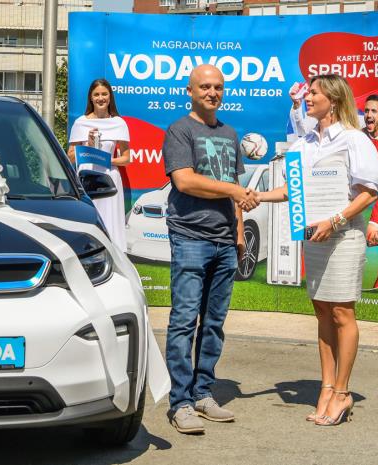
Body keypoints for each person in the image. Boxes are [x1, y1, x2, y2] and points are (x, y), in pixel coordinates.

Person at [258, 74, 378, 426]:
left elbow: (369, 191)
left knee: (342, 312)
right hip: (314, 238)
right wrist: (255, 196)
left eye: (314, 93)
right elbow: (291, 190)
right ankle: (326, 387)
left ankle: (342, 392)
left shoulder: (354, 139)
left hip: (343, 237)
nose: (307, 97)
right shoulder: (304, 143)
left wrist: (335, 220)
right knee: (322, 311)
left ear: (334, 99)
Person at [163, 64, 258, 435]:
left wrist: (239, 231)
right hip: (190, 237)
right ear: (190, 91)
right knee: (184, 321)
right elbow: (184, 182)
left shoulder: (230, 134)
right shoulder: (180, 130)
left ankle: (203, 393)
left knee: (214, 324)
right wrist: (234, 191)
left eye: (217, 87)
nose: (212, 92)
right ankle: (180, 402)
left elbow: (235, 186)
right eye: (204, 86)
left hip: (224, 241)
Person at [68, 78, 131, 251]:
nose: (100, 98)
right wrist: (88, 145)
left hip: (109, 179)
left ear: (110, 97)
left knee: (110, 223)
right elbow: (70, 157)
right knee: (89, 219)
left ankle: (115, 256)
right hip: (86, 178)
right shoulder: (81, 122)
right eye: (96, 95)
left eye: (104, 94)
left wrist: (106, 159)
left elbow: (126, 158)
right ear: (91, 97)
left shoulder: (118, 123)